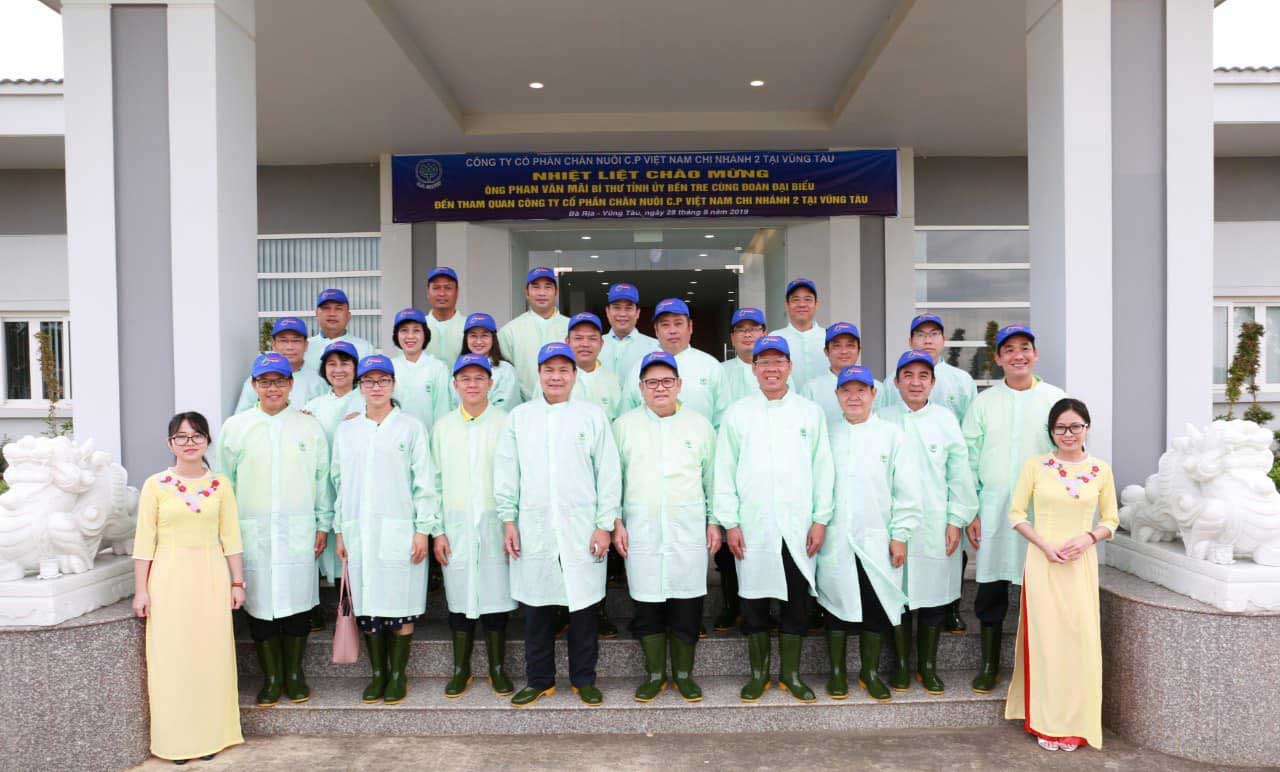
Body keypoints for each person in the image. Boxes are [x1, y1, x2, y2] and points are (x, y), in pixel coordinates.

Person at [495, 342, 622, 707]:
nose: (556, 376)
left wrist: (603, 524)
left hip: (581, 526)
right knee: (536, 608)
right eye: (549, 370)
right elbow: (507, 472)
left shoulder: (591, 415)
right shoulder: (520, 417)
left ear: (574, 375)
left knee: (582, 607)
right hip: (533, 524)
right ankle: (540, 679)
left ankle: (584, 679)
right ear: (539, 375)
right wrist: (508, 519)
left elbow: (608, 472)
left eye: (563, 370)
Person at [714, 335, 834, 703]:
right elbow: (724, 470)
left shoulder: (809, 412)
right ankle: (758, 674)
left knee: (796, 600)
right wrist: (730, 522)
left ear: (790, 367)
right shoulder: (738, 413)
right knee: (753, 600)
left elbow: (823, 468)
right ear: (753, 368)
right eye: (763, 362)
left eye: (778, 361)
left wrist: (820, 519)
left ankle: (791, 674)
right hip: (752, 526)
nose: (771, 369)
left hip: (798, 526)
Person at [215, 353, 331, 707]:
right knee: (260, 604)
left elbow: (322, 480)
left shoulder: (309, 427)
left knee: (297, 602)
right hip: (253, 532)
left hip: (298, 528)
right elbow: (225, 482)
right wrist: (226, 531)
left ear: (291, 385)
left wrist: (323, 523)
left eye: (280, 381)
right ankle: (272, 677)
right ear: (254, 386)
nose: (273, 388)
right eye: (265, 382)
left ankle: (295, 676)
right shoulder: (236, 427)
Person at [1005, 398, 1118, 752]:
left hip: (1080, 566)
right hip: (1044, 563)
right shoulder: (1036, 467)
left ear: (1087, 428)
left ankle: (1077, 722)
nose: (1068, 434)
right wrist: (1043, 545)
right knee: (1047, 643)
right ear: (1051, 432)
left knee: (1079, 642)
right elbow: (1016, 513)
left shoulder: (1101, 470)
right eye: (1060, 428)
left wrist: (1088, 538)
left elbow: (1111, 520)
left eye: (1075, 427)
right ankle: (1047, 722)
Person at [132, 412, 244, 764]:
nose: (189, 442)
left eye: (196, 436)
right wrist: (141, 590)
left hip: (211, 574)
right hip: (168, 575)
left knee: (210, 655)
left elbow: (231, 537)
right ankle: (175, 741)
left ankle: (212, 735)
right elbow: (144, 541)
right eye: (181, 437)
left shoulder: (221, 485)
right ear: (170, 444)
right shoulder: (156, 485)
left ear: (207, 442)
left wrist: (237, 581)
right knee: (172, 657)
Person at [962, 325, 1065, 694]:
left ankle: (1033, 667)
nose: (1018, 355)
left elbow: (1070, 454)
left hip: (1041, 514)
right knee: (990, 589)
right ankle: (989, 665)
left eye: (1025, 348)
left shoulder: (1056, 399)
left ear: (1035, 354)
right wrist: (971, 511)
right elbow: (968, 459)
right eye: (1009, 350)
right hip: (993, 510)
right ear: (998, 359)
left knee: (1035, 590)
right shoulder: (984, 402)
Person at [331, 355, 439, 705]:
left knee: (401, 600)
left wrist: (423, 530)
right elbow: (338, 481)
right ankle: (377, 674)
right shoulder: (347, 429)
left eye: (382, 381)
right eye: (368, 382)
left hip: (402, 528)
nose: (375, 388)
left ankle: (397, 675)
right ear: (359, 387)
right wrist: (340, 531)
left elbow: (425, 482)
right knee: (368, 603)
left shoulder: (411, 427)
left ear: (393, 385)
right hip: (358, 529)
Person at [612, 351, 720, 703]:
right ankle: (656, 674)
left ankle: (685, 675)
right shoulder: (624, 426)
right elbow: (613, 480)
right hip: (640, 529)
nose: (660, 388)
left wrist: (715, 521)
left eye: (667, 381)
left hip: (687, 528)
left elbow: (713, 479)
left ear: (679, 385)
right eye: (652, 382)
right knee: (647, 602)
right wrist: (615, 522)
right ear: (641, 388)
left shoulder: (699, 425)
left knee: (687, 602)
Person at [815, 365, 920, 702]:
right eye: (847, 390)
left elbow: (907, 490)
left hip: (878, 537)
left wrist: (900, 533)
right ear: (837, 396)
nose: (854, 396)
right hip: (834, 536)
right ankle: (836, 673)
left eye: (862, 390)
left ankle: (869, 671)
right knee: (835, 603)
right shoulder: (827, 434)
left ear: (874, 394)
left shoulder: (892, 435)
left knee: (875, 603)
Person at [879, 350, 978, 695]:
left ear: (933, 383)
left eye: (923, 376)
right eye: (908, 375)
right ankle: (903, 666)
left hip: (937, 524)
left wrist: (956, 520)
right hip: (895, 527)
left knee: (935, 596)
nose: (916, 382)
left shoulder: (945, 420)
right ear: (896, 382)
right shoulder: (883, 419)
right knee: (899, 595)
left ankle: (928, 666)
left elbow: (959, 474)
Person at [430, 353, 518, 698]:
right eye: (464, 379)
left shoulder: (505, 422)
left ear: (490, 383)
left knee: (496, 596)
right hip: (455, 526)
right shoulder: (443, 426)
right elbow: (433, 482)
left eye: (479, 378)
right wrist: (437, 529)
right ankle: (461, 668)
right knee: (459, 596)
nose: (472, 384)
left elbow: (515, 476)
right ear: (454, 385)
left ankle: (498, 668)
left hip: (495, 523)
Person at [304, 340, 365, 598]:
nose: (338, 369)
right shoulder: (314, 405)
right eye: (332, 364)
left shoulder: (366, 400)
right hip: (322, 482)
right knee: (323, 537)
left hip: (356, 484)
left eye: (345, 363)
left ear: (356, 368)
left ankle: (352, 599)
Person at [620, 298, 723, 426]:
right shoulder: (639, 367)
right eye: (665, 325)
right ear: (656, 330)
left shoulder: (711, 366)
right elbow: (627, 416)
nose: (672, 330)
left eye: (678, 323)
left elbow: (722, 418)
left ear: (690, 327)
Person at [498, 267, 570, 399]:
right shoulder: (510, 331)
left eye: (547, 287)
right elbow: (504, 376)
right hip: (524, 409)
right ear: (527, 292)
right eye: (536, 287)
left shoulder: (571, 329)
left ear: (556, 292)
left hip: (567, 408)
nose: (541, 293)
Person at [799, 322, 889, 424]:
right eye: (837, 346)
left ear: (859, 350)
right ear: (826, 351)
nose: (844, 351)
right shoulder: (811, 389)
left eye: (850, 345)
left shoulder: (877, 388)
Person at [234, 317, 326, 414]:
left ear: (306, 345)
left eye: (296, 341)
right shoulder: (258, 381)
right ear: (273, 345)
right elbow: (240, 419)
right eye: (283, 341)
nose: (290, 347)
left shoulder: (318, 382)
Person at [388, 307, 451, 433]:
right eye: (404, 331)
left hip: (428, 440)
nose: (410, 336)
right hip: (395, 439)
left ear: (425, 334)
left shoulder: (437, 368)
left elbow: (442, 411)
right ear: (397, 335)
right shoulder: (390, 367)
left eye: (416, 330)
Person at [451, 312, 523, 411]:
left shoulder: (506, 370)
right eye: (473, 336)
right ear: (466, 339)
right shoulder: (457, 368)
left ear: (493, 338)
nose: (479, 341)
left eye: (484, 336)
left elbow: (505, 408)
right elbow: (452, 404)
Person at [564, 312, 623, 421]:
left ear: (601, 343)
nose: (585, 344)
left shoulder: (613, 380)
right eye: (578, 338)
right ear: (567, 342)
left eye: (592, 338)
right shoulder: (554, 379)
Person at [771, 278, 827, 388]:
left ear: (817, 304)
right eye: (795, 300)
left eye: (808, 299)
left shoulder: (829, 338)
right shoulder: (774, 338)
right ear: (787, 305)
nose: (802, 304)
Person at [302, 288, 374, 373]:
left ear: (348, 316)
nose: (332, 314)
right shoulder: (303, 348)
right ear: (317, 314)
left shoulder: (365, 348)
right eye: (326, 308)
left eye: (338, 308)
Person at [599, 282, 659, 378]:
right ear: (607, 311)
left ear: (637, 313)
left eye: (628, 308)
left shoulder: (655, 348)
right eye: (616, 307)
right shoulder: (594, 346)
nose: (622, 314)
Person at [424, 266, 466, 366]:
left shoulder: (469, 327)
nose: (442, 293)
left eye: (448, 288)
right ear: (428, 292)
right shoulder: (417, 328)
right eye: (436, 288)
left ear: (457, 292)